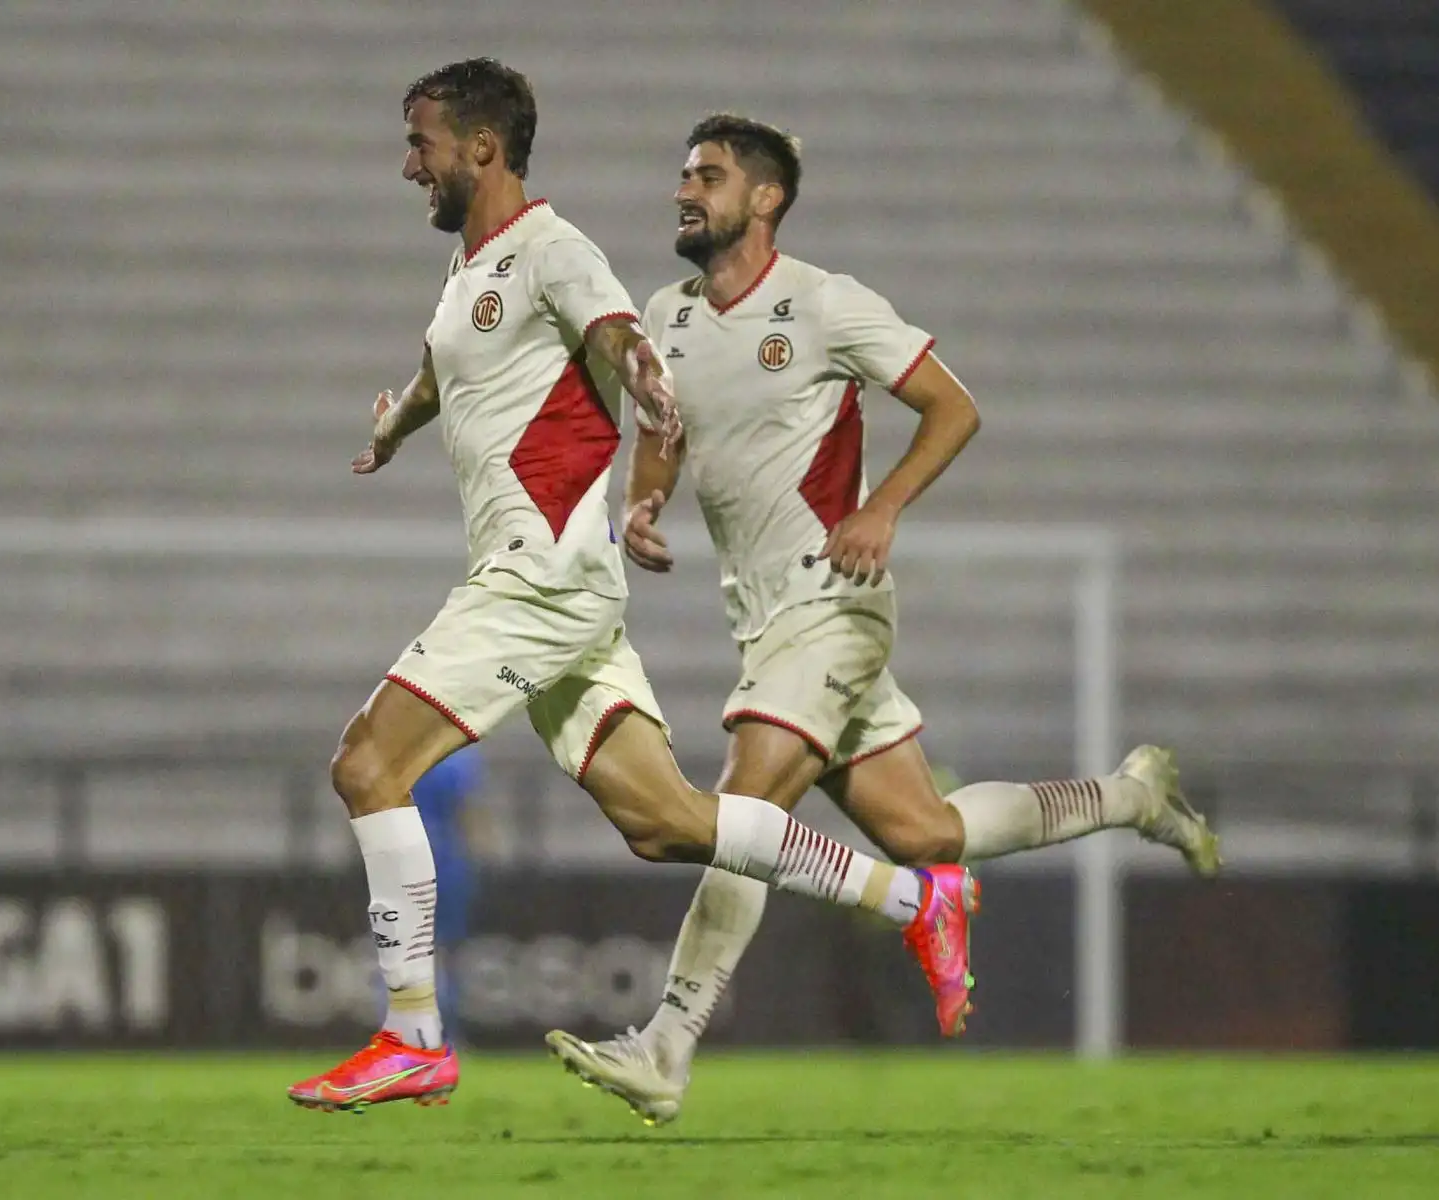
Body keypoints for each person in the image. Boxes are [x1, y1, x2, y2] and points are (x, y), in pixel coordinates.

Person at [287, 63, 981, 1114]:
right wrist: (396, 424)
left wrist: (647, 378)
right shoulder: (470, 272)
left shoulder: (553, 250)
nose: (409, 164)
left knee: (367, 765)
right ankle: (910, 897)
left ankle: (413, 1033)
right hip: (564, 588)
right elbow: (441, 370)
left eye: (421, 143)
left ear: (482, 147)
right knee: (667, 822)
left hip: (538, 577)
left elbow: (616, 331)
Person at [545, 114, 1222, 1125]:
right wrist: (646, 499)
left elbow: (954, 406)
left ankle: (666, 1049)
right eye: (684, 175)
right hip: (764, 617)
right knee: (926, 829)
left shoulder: (825, 304)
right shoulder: (667, 316)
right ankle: (1131, 797)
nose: (685, 191)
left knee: (745, 813)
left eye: (709, 176)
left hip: (833, 603)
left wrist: (883, 507)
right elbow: (662, 426)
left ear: (765, 198)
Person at [408, 745, 485, 1040]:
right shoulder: (459, 759)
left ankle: (409, 1032)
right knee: (449, 953)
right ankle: (446, 1031)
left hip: (406, 863)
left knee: (405, 950)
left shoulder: (400, 751)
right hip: (449, 864)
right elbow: (468, 814)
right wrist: (479, 858)